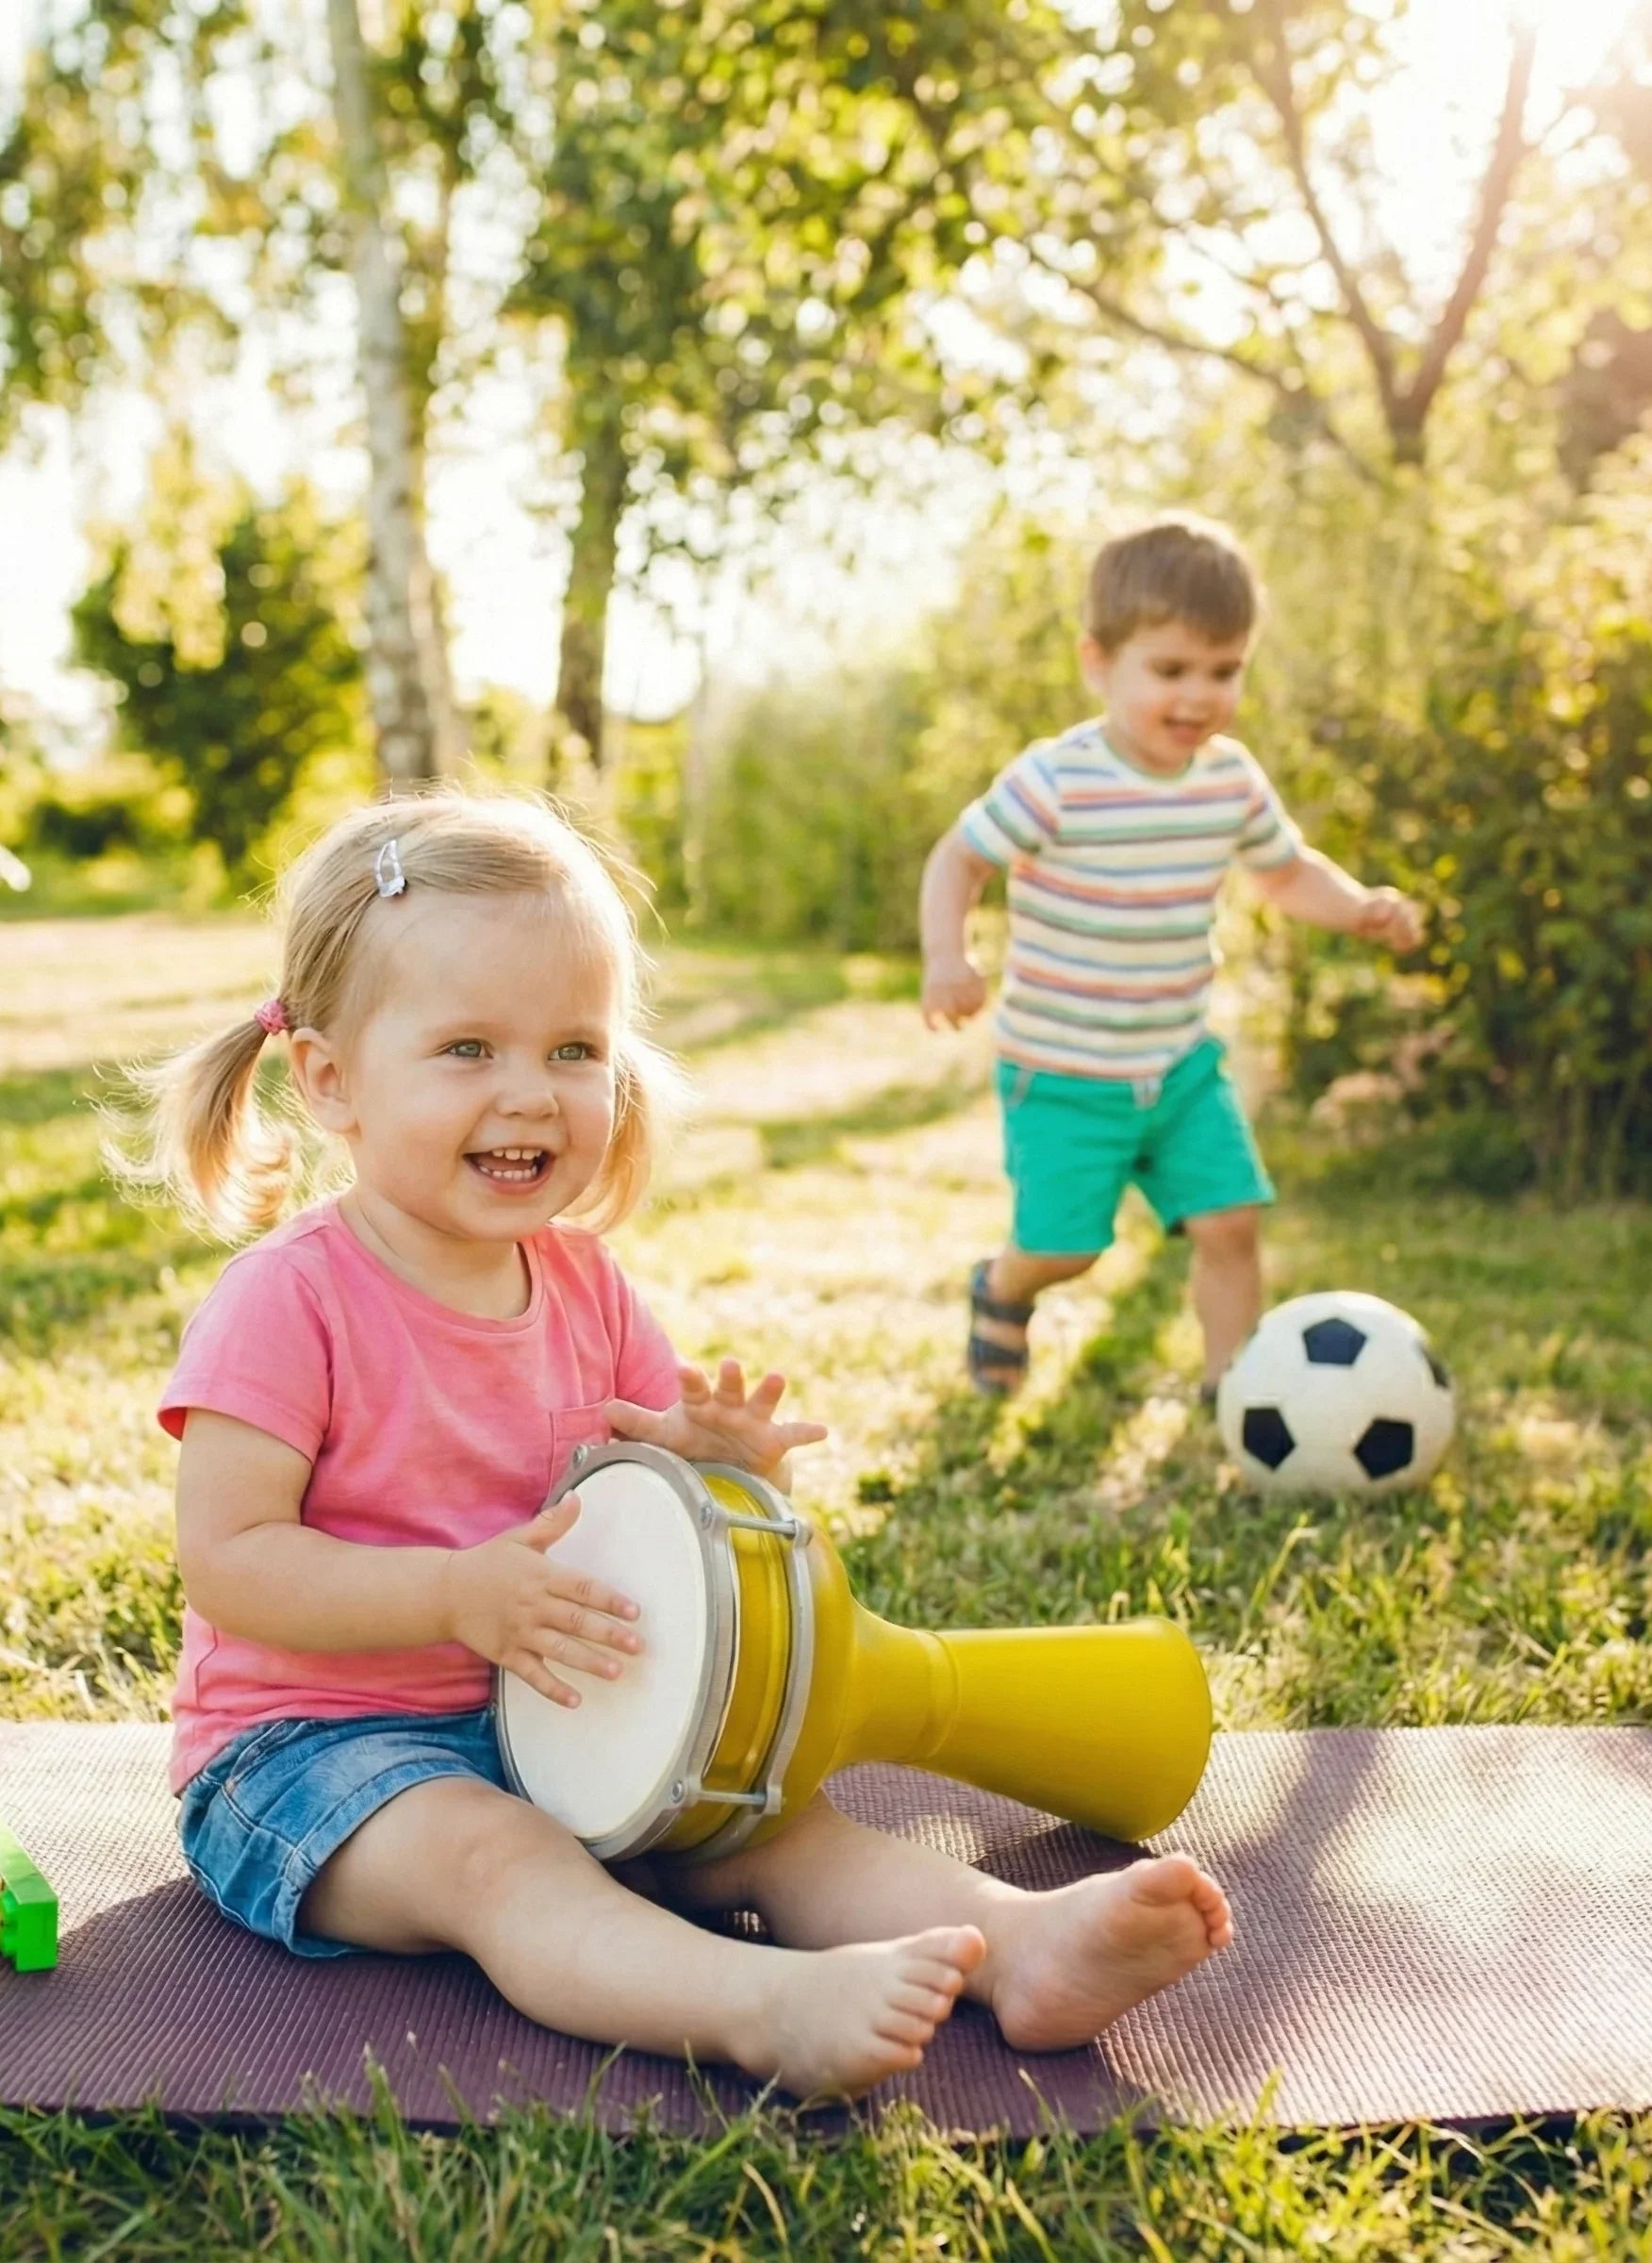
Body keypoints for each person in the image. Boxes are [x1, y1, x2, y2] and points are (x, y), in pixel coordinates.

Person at [135, 791, 1232, 2101]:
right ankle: (762, 2011)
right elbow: (232, 1560)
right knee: (503, 1861)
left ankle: (1023, 1947)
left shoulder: (587, 1289)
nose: (529, 1096)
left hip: (561, 1722)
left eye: (572, 1050)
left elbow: (670, 1526)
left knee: (770, 1823)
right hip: (315, 1757)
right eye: (469, 1048)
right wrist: (453, 1594)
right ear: (330, 1080)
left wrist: (723, 1470)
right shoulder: (291, 1300)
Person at [918, 514, 1426, 1403]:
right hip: (1064, 1074)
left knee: (1231, 1223)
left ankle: (1236, 1392)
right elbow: (959, 857)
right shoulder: (1059, 778)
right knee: (1066, 1248)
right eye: (1171, 670)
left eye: (1224, 671)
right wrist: (946, 957)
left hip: (1181, 1066)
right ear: (1098, 662)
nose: (1199, 696)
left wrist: (1359, 908)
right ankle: (1002, 1286)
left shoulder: (1229, 780)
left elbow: (1286, 871)